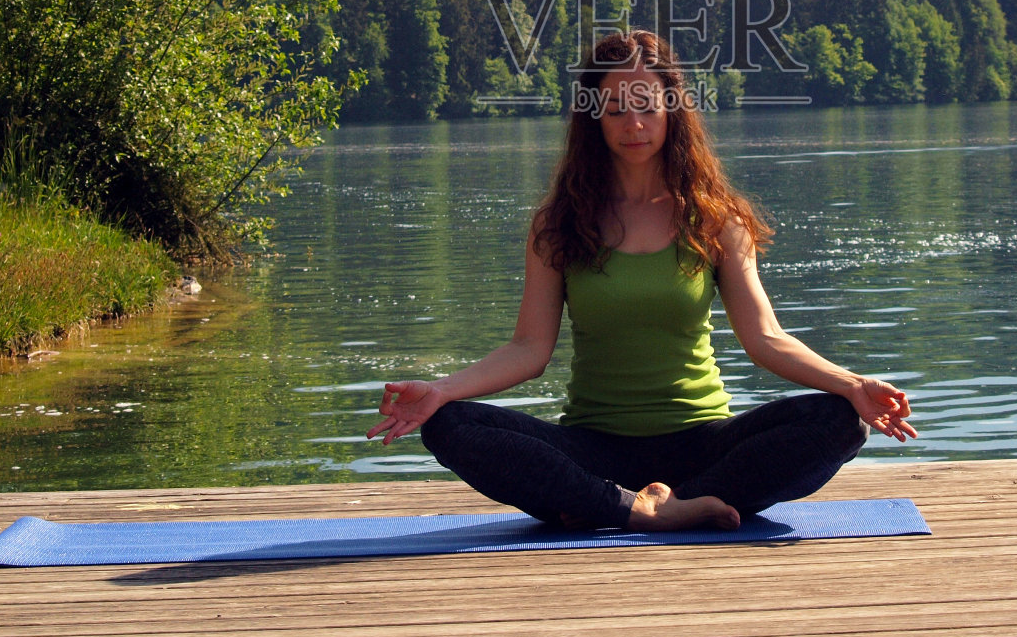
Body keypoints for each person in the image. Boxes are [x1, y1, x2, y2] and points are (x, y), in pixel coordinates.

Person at [367, 29, 915, 531]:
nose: (634, 125)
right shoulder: (558, 224)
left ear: (672, 112)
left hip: (704, 444)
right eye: (616, 109)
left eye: (647, 108)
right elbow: (528, 349)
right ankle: (631, 506)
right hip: (593, 447)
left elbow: (765, 338)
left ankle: (671, 502)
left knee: (840, 420)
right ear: (595, 119)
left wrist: (850, 383)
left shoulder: (715, 218)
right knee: (449, 426)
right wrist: (439, 392)